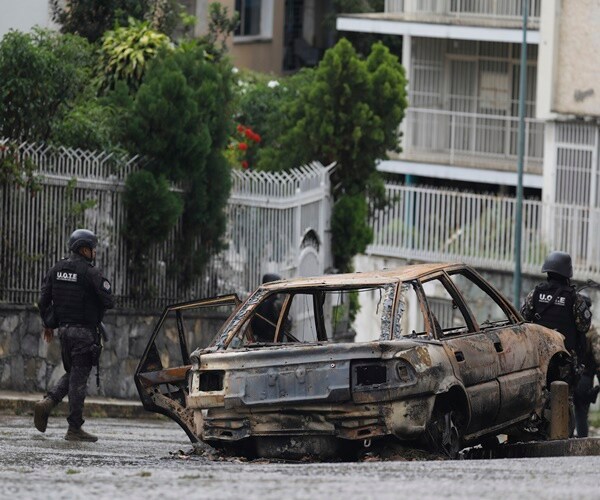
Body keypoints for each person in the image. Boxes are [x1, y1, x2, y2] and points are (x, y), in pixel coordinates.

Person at [35, 229, 114, 442]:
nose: (95, 252)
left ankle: (48, 403)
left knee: (74, 374)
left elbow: (43, 301)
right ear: (84, 249)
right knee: (79, 380)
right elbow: (109, 300)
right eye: (92, 248)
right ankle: (74, 428)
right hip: (84, 334)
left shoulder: (56, 268)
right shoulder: (90, 272)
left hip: (64, 332)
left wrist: (48, 324)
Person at [521, 251, 591, 364]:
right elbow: (584, 327)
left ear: (547, 271)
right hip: (564, 358)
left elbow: (523, 317)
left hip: (538, 357)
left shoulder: (535, 293)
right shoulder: (574, 298)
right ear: (568, 273)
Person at [573, 295, 600, 437]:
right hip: (585, 377)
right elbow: (598, 357)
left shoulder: (570, 327)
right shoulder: (591, 332)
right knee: (581, 413)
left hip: (569, 375)